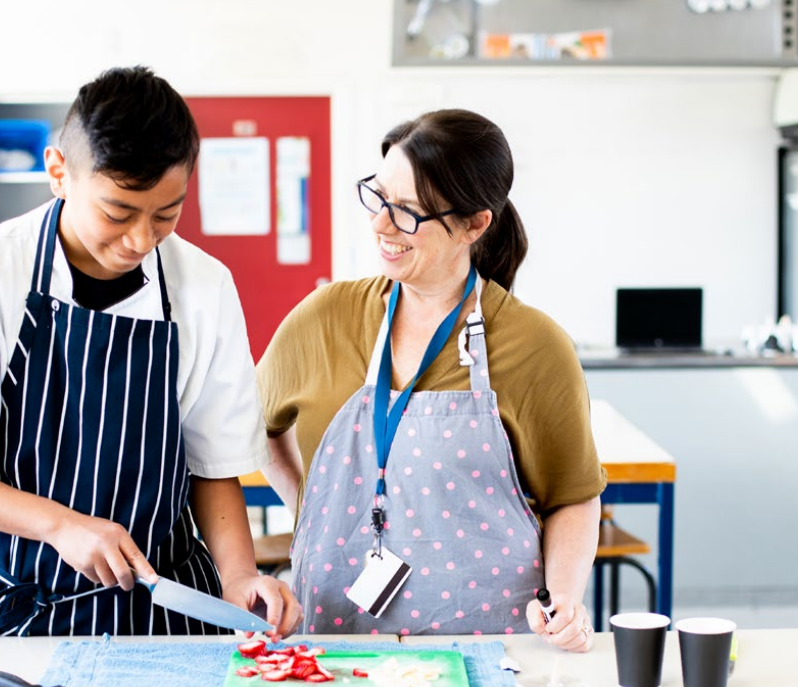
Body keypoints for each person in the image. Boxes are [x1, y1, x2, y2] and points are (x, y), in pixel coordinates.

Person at [0, 66, 301, 686]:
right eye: (118, 211)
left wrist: (239, 579)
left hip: (165, 613)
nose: (140, 239)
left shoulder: (204, 287)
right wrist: (61, 526)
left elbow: (213, 467)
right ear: (59, 171)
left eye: (166, 214)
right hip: (17, 607)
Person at [257, 109, 604, 651]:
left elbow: (573, 496)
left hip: (492, 651)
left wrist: (563, 599)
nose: (380, 225)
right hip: (334, 645)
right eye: (379, 196)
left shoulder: (535, 347)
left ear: (475, 224)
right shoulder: (323, 320)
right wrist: (310, 510)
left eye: (407, 212)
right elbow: (254, 428)